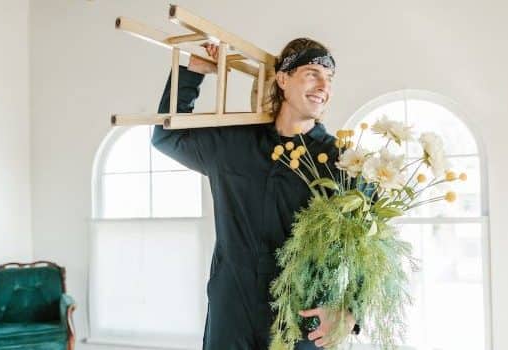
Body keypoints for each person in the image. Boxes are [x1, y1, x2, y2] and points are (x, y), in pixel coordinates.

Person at [152, 38, 357, 349]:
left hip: (300, 318)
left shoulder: (342, 162)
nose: (323, 85)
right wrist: (193, 72)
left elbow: (369, 243)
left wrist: (350, 310)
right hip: (231, 312)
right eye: (313, 72)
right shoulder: (233, 144)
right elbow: (166, 137)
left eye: (329, 79)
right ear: (283, 78)